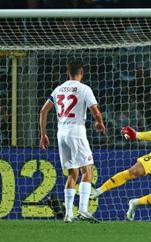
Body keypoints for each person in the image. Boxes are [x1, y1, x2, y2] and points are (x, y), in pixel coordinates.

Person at [39, 60, 106, 223]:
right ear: (81, 72)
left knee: (72, 173)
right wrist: (100, 123)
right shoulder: (84, 89)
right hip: (76, 133)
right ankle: (83, 209)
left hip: (61, 134)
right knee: (87, 171)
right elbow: (95, 111)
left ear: (67, 72)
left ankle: (68, 214)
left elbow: (43, 110)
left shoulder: (58, 89)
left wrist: (43, 134)